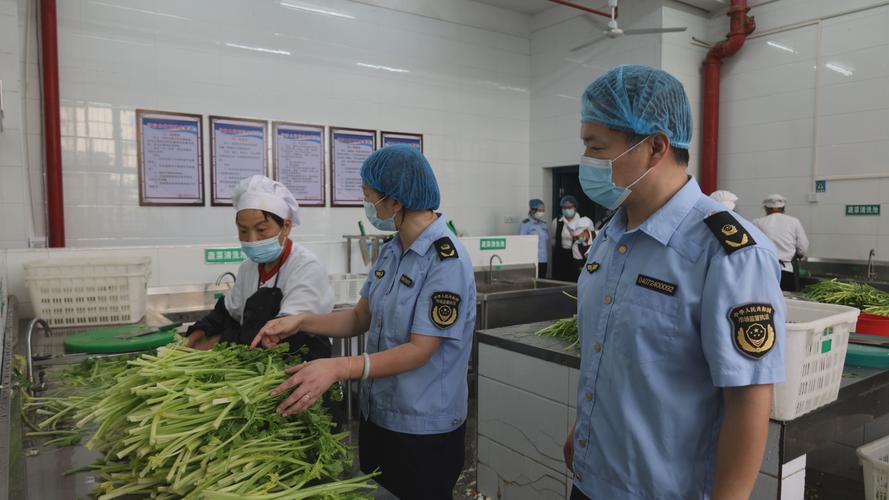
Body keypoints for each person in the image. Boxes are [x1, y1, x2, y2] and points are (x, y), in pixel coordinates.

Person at [564, 65, 786, 500]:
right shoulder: (611, 236)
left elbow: (749, 401)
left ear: (655, 147)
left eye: (597, 146)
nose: (587, 161)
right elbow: (611, 356)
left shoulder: (728, 253)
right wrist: (584, 431)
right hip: (592, 480)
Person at [250, 145, 476, 500]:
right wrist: (301, 321)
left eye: (368, 196)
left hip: (423, 428)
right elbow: (359, 318)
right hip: (380, 418)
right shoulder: (392, 249)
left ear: (395, 202)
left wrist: (338, 367)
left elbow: (421, 350)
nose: (366, 204)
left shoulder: (446, 260)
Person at [184, 175, 335, 362]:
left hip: (301, 367)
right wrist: (202, 330)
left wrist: (221, 341)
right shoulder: (249, 268)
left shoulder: (306, 267)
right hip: (255, 364)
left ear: (286, 226)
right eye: (243, 231)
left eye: (262, 230)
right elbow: (229, 311)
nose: (252, 240)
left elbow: (284, 333)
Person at [753, 194, 809, 292]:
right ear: (783, 208)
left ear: (766, 208)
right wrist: (799, 255)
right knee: (785, 301)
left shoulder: (757, 222)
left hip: (764, 270)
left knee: (765, 301)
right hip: (786, 270)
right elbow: (803, 246)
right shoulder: (794, 222)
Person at [551, 195, 595, 282]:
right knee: (560, 279)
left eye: (570, 207)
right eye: (564, 207)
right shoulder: (557, 222)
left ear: (575, 208)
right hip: (561, 255)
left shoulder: (583, 221)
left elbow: (591, 237)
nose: (567, 210)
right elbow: (553, 239)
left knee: (574, 278)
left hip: (576, 255)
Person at [520, 199, 550, 278]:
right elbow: (522, 242)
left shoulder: (543, 224)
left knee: (543, 281)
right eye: (539, 210)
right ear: (532, 210)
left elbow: (546, 239)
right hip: (532, 259)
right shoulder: (526, 224)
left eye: (543, 210)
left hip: (543, 259)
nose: (541, 212)